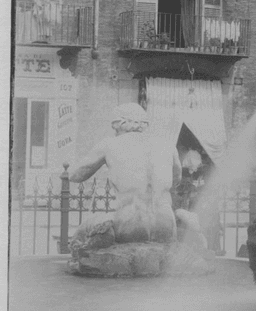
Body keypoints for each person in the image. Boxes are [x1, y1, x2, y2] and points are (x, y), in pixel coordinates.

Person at [70, 103, 181, 243]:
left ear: (122, 123)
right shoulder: (167, 145)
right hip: (165, 221)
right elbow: (177, 179)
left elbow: (74, 175)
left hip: (132, 219)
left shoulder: (109, 144)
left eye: (114, 127)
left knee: (87, 232)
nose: (114, 131)